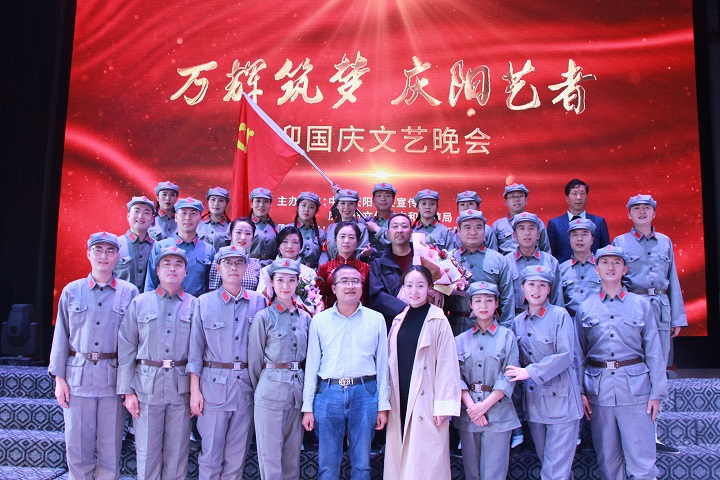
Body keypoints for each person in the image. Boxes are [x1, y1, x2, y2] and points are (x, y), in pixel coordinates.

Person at [49, 232, 139, 480]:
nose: (103, 256)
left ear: (117, 257)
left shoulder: (129, 293)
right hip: (77, 378)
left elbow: (133, 342)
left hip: (113, 380)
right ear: (88, 254)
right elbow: (61, 336)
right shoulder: (72, 290)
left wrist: (129, 385)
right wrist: (59, 379)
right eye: (98, 250)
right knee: (77, 447)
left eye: (110, 251)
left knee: (110, 448)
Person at [575, 245, 668, 479]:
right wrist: (580, 392)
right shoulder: (585, 308)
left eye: (616, 262)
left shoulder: (640, 305)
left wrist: (657, 392)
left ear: (625, 269)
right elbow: (579, 354)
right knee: (608, 459)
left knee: (642, 458)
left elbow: (654, 351)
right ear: (596, 269)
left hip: (635, 390)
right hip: (599, 392)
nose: (611, 267)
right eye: (605, 262)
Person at [301, 264, 390, 480]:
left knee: (362, 465)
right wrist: (307, 407)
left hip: (365, 392)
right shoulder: (320, 320)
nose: (350, 286)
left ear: (361, 286)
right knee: (327, 466)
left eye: (355, 281)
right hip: (328, 393)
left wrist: (383, 406)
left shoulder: (376, 319)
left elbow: (383, 365)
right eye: (344, 281)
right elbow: (312, 366)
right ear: (334, 288)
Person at [187, 245, 266, 480]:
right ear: (218, 269)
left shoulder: (258, 302)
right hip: (213, 389)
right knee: (210, 456)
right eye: (228, 263)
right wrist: (194, 391)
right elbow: (195, 351)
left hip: (245, 388)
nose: (233, 268)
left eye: (239, 263)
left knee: (236, 458)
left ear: (246, 268)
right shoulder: (203, 302)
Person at [118, 246, 197, 480]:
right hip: (146, 388)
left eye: (178, 265)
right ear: (157, 270)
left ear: (185, 272)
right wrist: (127, 391)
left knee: (177, 454)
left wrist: (196, 391)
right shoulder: (140, 303)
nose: (172, 269)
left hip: (181, 390)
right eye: (166, 264)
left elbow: (199, 352)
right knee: (147, 454)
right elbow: (127, 347)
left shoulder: (195, 305)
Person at [384, 265, 461, 480]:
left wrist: (443, 405)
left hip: (427, 398)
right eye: (409, 286)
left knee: (425, 460)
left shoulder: (438, 319)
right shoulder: (399, 319)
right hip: (400, 395)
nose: (414, 291)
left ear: (429, 288)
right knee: (400, 454)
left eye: (420, 285)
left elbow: (447, 364)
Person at [506, 265, 582, 480]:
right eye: (531, 284)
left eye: (542, 285)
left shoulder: (560, 315)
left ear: (549, 289)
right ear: (522, 288)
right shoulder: (517, 322)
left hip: (562, 403)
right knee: (551, 465)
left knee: (554, 471)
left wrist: (530, 371)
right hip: (535, 404)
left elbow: (566, 355)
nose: (536, 290)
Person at [249, 258, 311, 480]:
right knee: (270, 458)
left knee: (292, 457)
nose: (286, 286)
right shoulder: (264, 317)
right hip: (270, 391)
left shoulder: (305, 318)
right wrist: (265, 385)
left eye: (291, 280)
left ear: (298, 283)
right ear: (272, 283)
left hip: (297, 393)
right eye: (280, 280)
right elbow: (255, 360)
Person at [612, 194, 687, 368]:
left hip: (661, 308)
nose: (642, 212)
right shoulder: (620, 242)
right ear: (629, 215)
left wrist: (677, 319)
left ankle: (660, 387)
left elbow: (673, 279)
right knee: (633, 360)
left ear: (654, 213)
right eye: (636, 208)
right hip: (633, 307)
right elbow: (615, 281)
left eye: (646, 208)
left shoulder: (665, 241)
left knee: (660, 361)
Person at [455, 282, 520, 480]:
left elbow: (509, 375)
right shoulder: (460, 340)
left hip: (498, 412)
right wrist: (472, 408)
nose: (483, 305)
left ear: (496, 304)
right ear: (470, 305)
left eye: (489, 300)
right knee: (472, 472)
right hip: (469, 413)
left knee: (494, 473)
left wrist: (483, 407)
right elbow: (455, 377)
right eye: (478, 301)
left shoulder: (507, 337)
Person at [444, 209, 514, 333]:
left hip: (490, 327)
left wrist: (505, 331)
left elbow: (507, 298)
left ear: (484, 230)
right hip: (456, 327)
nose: (473, 232)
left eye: (478, 227)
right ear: (459, 231)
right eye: (467, 227)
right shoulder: (448, 260)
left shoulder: (499, 260)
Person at [145, 197, 215, 297]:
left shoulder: (208, 250)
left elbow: (211, 288)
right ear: (176, 217)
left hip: (196, 305)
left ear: (200, 219)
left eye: (193, 213)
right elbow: (151, 284)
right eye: (183, 213)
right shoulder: (160, 247)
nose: (188, 218)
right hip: (165, 303)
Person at [505, 212, 564, 315]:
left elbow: (557, 298)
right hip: (516, 320)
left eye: (531, 228)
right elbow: (504, 300)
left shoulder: (550, 262)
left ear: (538, 234)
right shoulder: (506, 262)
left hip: (545, 318)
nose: (527, 233)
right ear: (514, 235)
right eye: (522, 228)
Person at [548, 179, 610, 263]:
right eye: (574, 194)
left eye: (582, 193)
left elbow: (605, 253)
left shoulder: (599, 222)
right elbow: (551, 255)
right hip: (564, 270)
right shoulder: (555, 224)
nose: (579, 197)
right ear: (567, 198)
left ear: (587, 197)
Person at [369, 213, 414, 328]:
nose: (399, 230)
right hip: (390, 323)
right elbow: (376, 295)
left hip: (421, 320)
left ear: (411, 232)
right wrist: (404, 309)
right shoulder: (378, 263)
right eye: (395, 227)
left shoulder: (423, 258)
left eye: (404, 226)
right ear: (388, 233)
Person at [316, 222, 370, 309]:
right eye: (342, 236)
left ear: (357, 242)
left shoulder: (366, 268)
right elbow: (319, 297)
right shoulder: (324, 268)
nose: (346, 241)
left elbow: (368, 298)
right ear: (335, 240)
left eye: (351, 237)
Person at [256, 226, 317, 303]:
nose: (290, 246)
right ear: (278, 245)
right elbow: (261, 299)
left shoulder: (310, 273)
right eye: (285, 241)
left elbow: (313, 300)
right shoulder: (266, 271)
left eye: (295, 242)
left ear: (301, 246)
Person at [492, 183, 551, 255]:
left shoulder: (538, 222)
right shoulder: (498, 225)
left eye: (520, 196)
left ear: (526, 200)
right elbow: (493, 254)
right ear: (506, 202)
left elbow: (546, 251)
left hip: (533, 261)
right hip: (506, 261)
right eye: (512, 196)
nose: (517, 199)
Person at [559, 218, 601, 317]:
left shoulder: (603, 267)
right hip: (570, 321)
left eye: (584, 234)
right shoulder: (561, 269)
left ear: (592, 240)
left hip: (598, 320)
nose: (579, 239)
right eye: (575, 235)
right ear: (569, 239)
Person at [209, 217, 262, 292]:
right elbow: (213, 291)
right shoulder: (219, 261)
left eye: (248, 233)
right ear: (230, 235)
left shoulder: (256, 266)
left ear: (253, 237)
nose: (243, 237)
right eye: (238, 232)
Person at [115, 196, 156, 292]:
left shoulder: (157, 247)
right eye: (136, 211)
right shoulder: (115, 245)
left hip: (150, 300)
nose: (141, 216)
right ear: (128, 216)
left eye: (146, 212)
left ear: (152, 219)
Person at [322, 189, 370, 263]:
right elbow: (325, 251)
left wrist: (362, 255)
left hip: (353, 268)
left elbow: (361, 253)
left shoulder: (361, 228)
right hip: (331, 269)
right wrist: (324, 267)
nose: (347, 207)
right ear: (337, 206)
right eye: (342, 203)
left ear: (356, 206)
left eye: (351, 203)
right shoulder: (331, 228)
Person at [294, 191, 326, 269]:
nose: (306, 210)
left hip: (314, 273)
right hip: (293, 271)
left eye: (311, 207)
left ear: (316, 211)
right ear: (297, 208)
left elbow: (324, 257)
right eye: (303, 205)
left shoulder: (321, 234)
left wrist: (320, 273)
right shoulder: (287, 230)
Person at [248, 187, 279, 266]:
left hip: (271, 269)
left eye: (266, 201)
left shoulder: (276, 228)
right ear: (251, 204)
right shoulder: (244, 226)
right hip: (249, 267)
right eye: (258, 201)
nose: (261, 205)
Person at [364, 182, 396, 255]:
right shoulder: (369, 221)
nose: (383, 199)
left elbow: (396, 241)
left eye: (387, 196)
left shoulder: (397, 222)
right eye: (379, 196)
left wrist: (376, 229)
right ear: (373, 200)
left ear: (393, 200)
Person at [197, 187, 232, 251]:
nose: (216, 204)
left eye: (221, 200)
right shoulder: (198, 225)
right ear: (208, 203)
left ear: (226, 205)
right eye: (213, 200)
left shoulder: (231, 227)